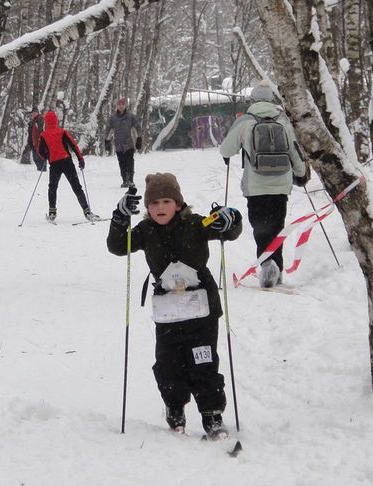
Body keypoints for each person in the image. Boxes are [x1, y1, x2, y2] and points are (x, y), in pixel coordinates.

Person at [106, 173, 243, 439]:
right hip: (168, 310)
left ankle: (212, 415)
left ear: (178, 203)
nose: (160, 208)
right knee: (168, 365)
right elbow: (117, 246)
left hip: (202, 308)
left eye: (166, 201)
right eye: (154, 203)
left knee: (203, 362)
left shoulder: (196, 223)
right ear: (146, 208)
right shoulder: (145, 231)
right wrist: (120, 217)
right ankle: (175, 407)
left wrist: (232, 217)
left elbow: (229, 230)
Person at [219, 82, 307, 287]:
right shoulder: (283, 120)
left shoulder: (246, 121)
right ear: (272, 100)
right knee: (277, 228)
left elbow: (226, 149)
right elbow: (295, 150)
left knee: (261, 229)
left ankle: (267, 266)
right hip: (281, 186)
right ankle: (277, 267)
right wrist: (301, 173)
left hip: (256, 188)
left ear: (253, 100)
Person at [37, 110, 101, 223]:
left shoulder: (43, 135)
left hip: (54, 165)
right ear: (56, 120)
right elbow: (74, 145)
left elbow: (40, 151)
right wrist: (80, 159)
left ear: (46, 122)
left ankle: (52, 213)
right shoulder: (62, 132)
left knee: (52, 188)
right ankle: (87, 211)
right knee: (76, 187)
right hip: (67, 162)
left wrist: (47, 156)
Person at [104, 96, 142, 188]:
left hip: (129, 143)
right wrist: (107, 141)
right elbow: (107, 130)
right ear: (116, 106)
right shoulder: (112, 118)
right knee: (122, 163)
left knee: (130, 162)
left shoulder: (130, 116)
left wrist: (139, 138)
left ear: (125, 105)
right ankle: (124, 180)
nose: (121, 106)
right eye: (119, 104)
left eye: (123, 104)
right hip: (118, 145)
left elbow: (138, 127)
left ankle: (130, 180)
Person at [28, 107, 47, 172]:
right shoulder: (32, 121)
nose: (34, 114)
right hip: (33, 142)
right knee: (35, 158)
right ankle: (40, 169)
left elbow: (40, 130)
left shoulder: (40, 119)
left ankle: (42, 170)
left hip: (39, 142)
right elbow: (30, 133)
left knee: (39, 157)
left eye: (35, 113)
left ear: (38, 113)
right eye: (33, 113)